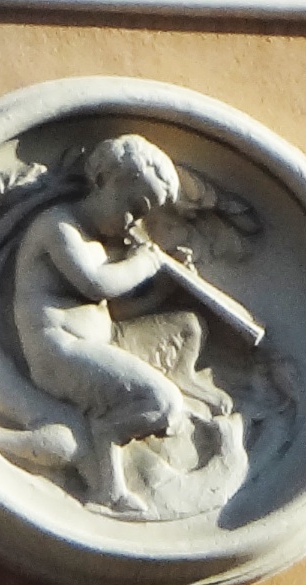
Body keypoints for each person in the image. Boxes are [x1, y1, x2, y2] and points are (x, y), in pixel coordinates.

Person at [14, 135, 189, 516]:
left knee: (169, 382)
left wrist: (163, 290)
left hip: (85, 348)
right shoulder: (58, 227)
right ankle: (107, 478)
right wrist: (145, 264)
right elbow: (96, 284)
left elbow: (114, 309)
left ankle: (109, 481)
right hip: (58, 351)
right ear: (104, 179)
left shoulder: (100, 247)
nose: (135, 222)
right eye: (134, 208)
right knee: (160, 401)